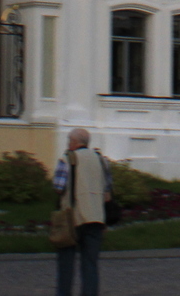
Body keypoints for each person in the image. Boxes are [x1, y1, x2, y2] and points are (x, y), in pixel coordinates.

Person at [52, 127, 111, 296]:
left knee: (66, 264)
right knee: (90, 264)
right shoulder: (101, 160)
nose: (68, 144)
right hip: (96, 217)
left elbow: (58, 186)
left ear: (74, 142)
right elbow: (107, 188)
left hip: (72, 218)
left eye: (69, 141)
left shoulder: (67, 159)